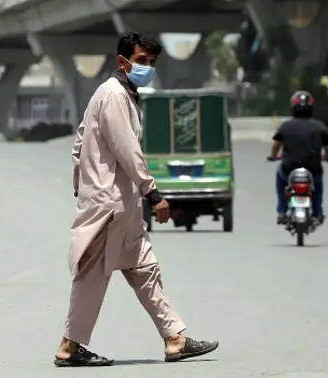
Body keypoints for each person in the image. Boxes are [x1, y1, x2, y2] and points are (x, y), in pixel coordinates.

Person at [56, 32, 219, 367]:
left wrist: (82, 182)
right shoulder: (114, 95)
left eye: (152, 63)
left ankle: (175, 338)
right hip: (111, 204)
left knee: (145, 269)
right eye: (142, 61)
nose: (148, 68)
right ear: (122, 62)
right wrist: (153, 193)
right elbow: (128, 150)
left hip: (120, 205)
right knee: (92, 275)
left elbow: (78, 143)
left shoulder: (119, 94)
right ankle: (70, 347)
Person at [266, 90, 328, 225]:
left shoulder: (286, 126)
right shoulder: (319, 126)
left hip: (289, 169)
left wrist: (273, 157)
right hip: (312, 170)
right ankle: (317, 211)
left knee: (280, 176)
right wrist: (327, 157)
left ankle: (282, 210)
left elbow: (276, 146)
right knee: (318, 183)